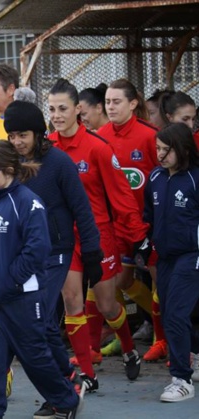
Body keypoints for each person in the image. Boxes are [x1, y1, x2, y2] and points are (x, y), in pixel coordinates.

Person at [0, 140, 81, 419]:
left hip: (23, 299)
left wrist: (9, 280)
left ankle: (66, 399)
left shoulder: (28, 203)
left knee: (35, 359)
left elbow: (38, 249)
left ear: (9, 169)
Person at [3, 100, 101, 417]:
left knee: (40, 321)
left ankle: (64, 390)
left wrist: (91, 252)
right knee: (38, 327)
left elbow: (81, 210)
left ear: (39, 133)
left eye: (23, 135)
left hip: (56, 250)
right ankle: (67, 384)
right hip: (22, 256)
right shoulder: (9, 163)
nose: (17, 141)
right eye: (12, 135)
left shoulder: (59, 163)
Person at [48, 79, 149, 386]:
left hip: (99, 236)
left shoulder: (97, 148)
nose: (57, 115)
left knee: (107, 305)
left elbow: (121, 196)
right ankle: (87, 374)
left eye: (63, 108)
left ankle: (129, 349)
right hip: (65, 239)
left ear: (78, 109)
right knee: (71, 301)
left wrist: (138, 236)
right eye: (51, 109)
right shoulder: (48, 147)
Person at [97, 79, 160, 359]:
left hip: (149, 224)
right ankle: (132, 333)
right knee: (121, 281)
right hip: (116, 225)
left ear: (133, 103)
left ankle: (163, 338)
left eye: (116, 101)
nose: (110, 107)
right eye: (108, 102)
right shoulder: (100, 135)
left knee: (162, 285)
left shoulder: (150, 135)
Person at [141, 123, 199, 402]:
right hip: (164, 257)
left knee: (175, 312)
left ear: (184, 149)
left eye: (167, 150)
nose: (160, 155)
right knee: (173, 312)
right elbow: (148, 215)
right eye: (158, 149)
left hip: (193, 255)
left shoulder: (195, 178)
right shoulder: (155, 177)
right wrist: (145, 242)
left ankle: (182, 379)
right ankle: (194, 356)